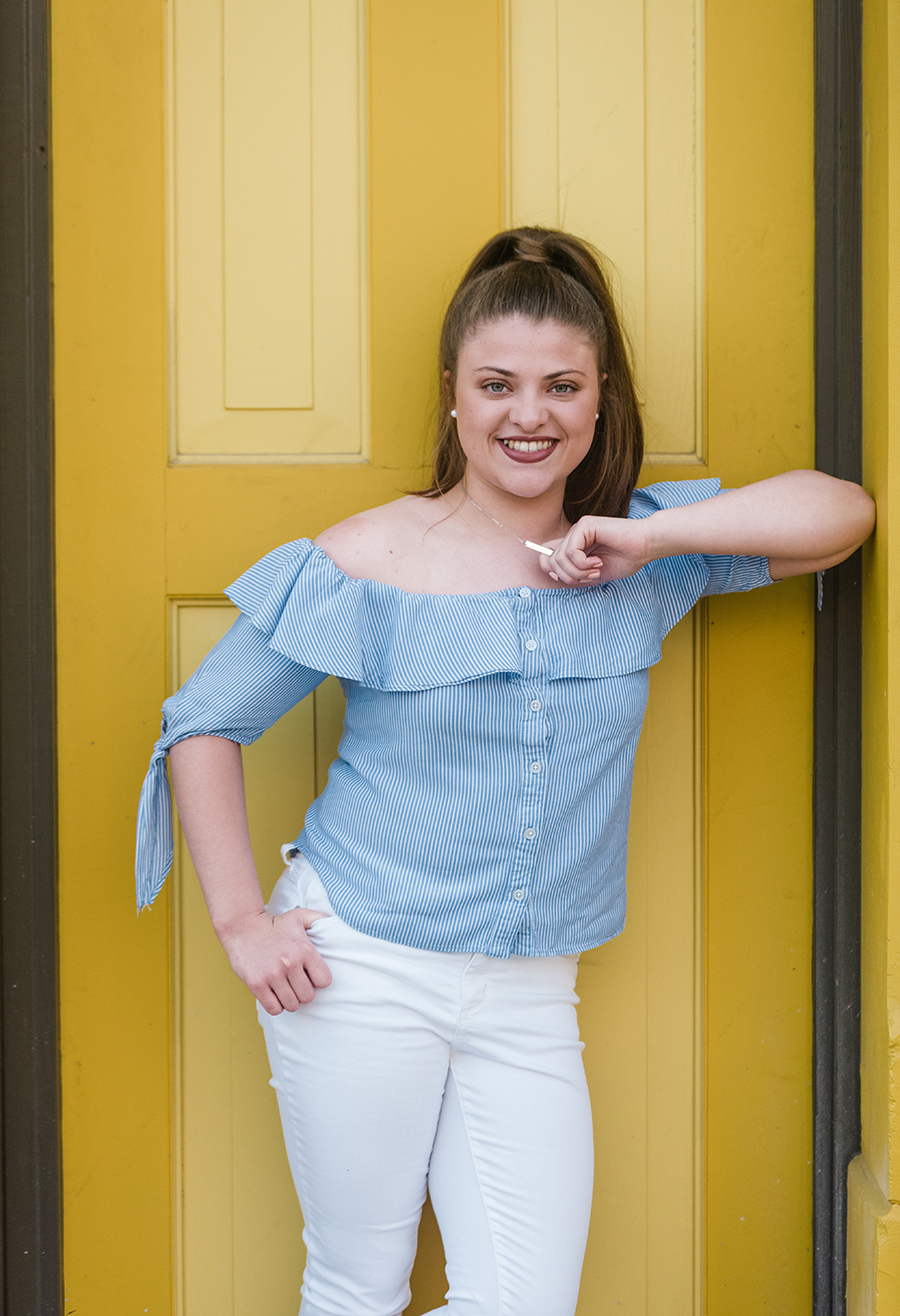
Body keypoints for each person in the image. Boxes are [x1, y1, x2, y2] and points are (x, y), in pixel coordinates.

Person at [135, 227, 875, 1316]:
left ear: (600, 400)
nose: (530, 415)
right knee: (357, 1284)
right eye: (497, 385)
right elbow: (203, 723)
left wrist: (653, 540)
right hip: (360, 963)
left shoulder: (636, 553)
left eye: (562, 386)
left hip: (531, 989)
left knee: (525, 1300)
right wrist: (244, 922)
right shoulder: (369, 558)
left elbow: (842, 515)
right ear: (453, 394)